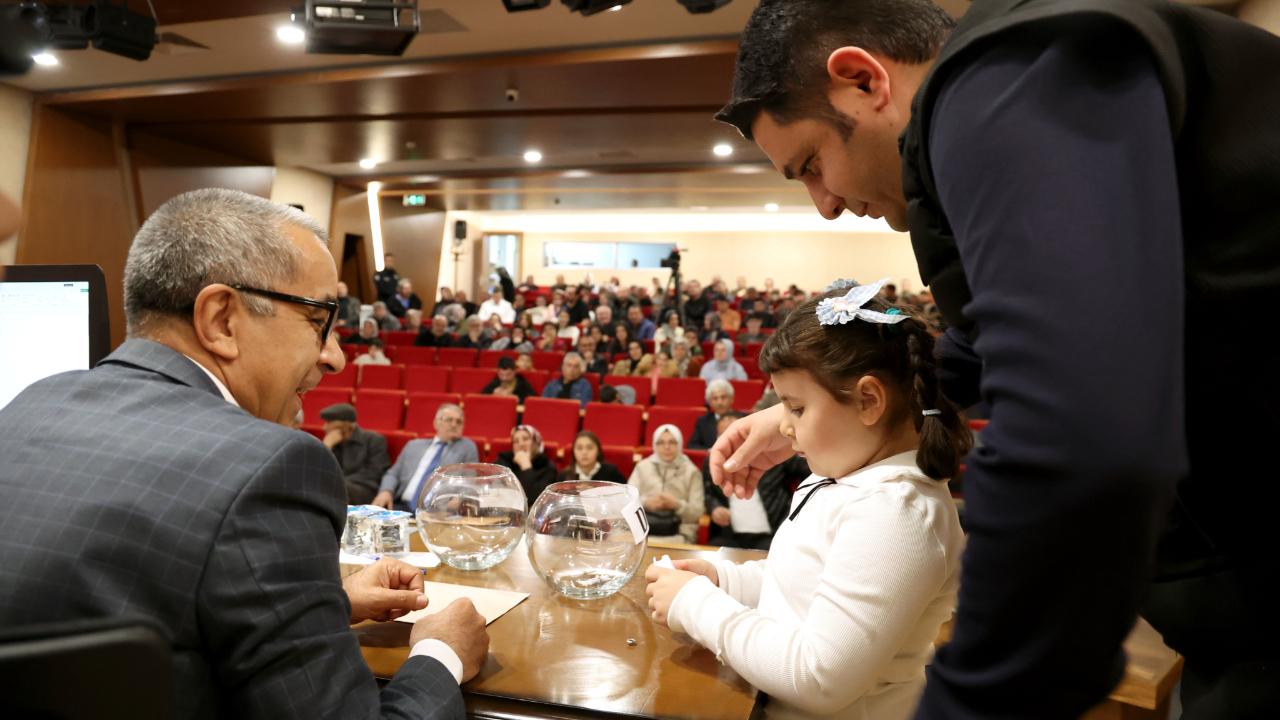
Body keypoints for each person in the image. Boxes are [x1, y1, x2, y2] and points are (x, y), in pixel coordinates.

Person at [712, 1, 1280, 716]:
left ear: (862, 80)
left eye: (811, 165)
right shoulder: (985, 122)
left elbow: (1079, 430)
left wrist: (974, 702)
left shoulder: (1004, 78)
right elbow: (975, 352)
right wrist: (795, 410)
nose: (822, 204)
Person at [0, 188, 488, 718]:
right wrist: (442, 654)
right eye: (318, 319)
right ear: (221, 320)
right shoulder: (270, 468)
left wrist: (329, 604)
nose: (336, 357)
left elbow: (128, 619)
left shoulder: (29, 404)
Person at [647, 284, 968, 719]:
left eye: (795, 409)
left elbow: (819, 678)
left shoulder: (899, 512)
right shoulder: (844, 476)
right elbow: (806, 584)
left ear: (868, 401)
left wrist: (697, 604)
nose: (784, 427)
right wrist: (726, 581)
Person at [701, 412, 806, 550]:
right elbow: (708, 493)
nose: (729, 442)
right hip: (730, 534)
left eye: (732, 436)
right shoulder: (713, 460)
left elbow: (810, 470)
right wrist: (715, 508)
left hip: (770, 532)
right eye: (722, 436)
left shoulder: (774, 454)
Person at [374, 404, 479, 512]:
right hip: (401, 506)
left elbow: (470, 480)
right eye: (449, 420)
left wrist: (460, 497)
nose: (454, 424)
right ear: (436, 423)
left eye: (458, 422)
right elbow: (393, 473)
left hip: (437, 511)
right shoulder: (413, 445)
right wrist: (386, 491)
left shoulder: (467, 447)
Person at [628, 424, 704, 544]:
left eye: (672, 442)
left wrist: (676, 505)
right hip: (643, 530)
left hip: (679, 533)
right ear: (654, 445)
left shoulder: (692, 471)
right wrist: (646, 502)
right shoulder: (642, 467)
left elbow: (697, 512)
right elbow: (628, 500)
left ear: (679, 444)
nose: (667, 447)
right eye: (661, 443)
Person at [319, 402, 390, 504]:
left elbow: (375, 472)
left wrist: (339, 481)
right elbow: (320, 470)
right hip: (339, 487)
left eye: (328, 422)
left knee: (332, 486)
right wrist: (327, 446)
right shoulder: (333, 442)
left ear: (343, 424)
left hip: (365, 489)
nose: (324, 427)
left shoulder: (374, 439)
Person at [496, 425, 558, 501]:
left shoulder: (548, 468)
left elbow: (536, 499)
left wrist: (525, 466)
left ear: (536, 443)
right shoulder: (504, 461)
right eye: (516, 441)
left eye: (525, 439)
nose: (521, 444)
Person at [559, 431, 627, 483]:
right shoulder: (564, 476)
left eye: (589, 448)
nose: (584, 452)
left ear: (598, 451)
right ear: (573, 451)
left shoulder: (611, 472)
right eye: (579, 448)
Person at [689, 379, 735, 450]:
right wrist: (710, 451)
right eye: (715, 398)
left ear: (731, 399)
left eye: (723, 397)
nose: (719, 402)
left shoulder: (743, 418)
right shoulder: (702, 422)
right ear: (709, 402)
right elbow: (692, 446)